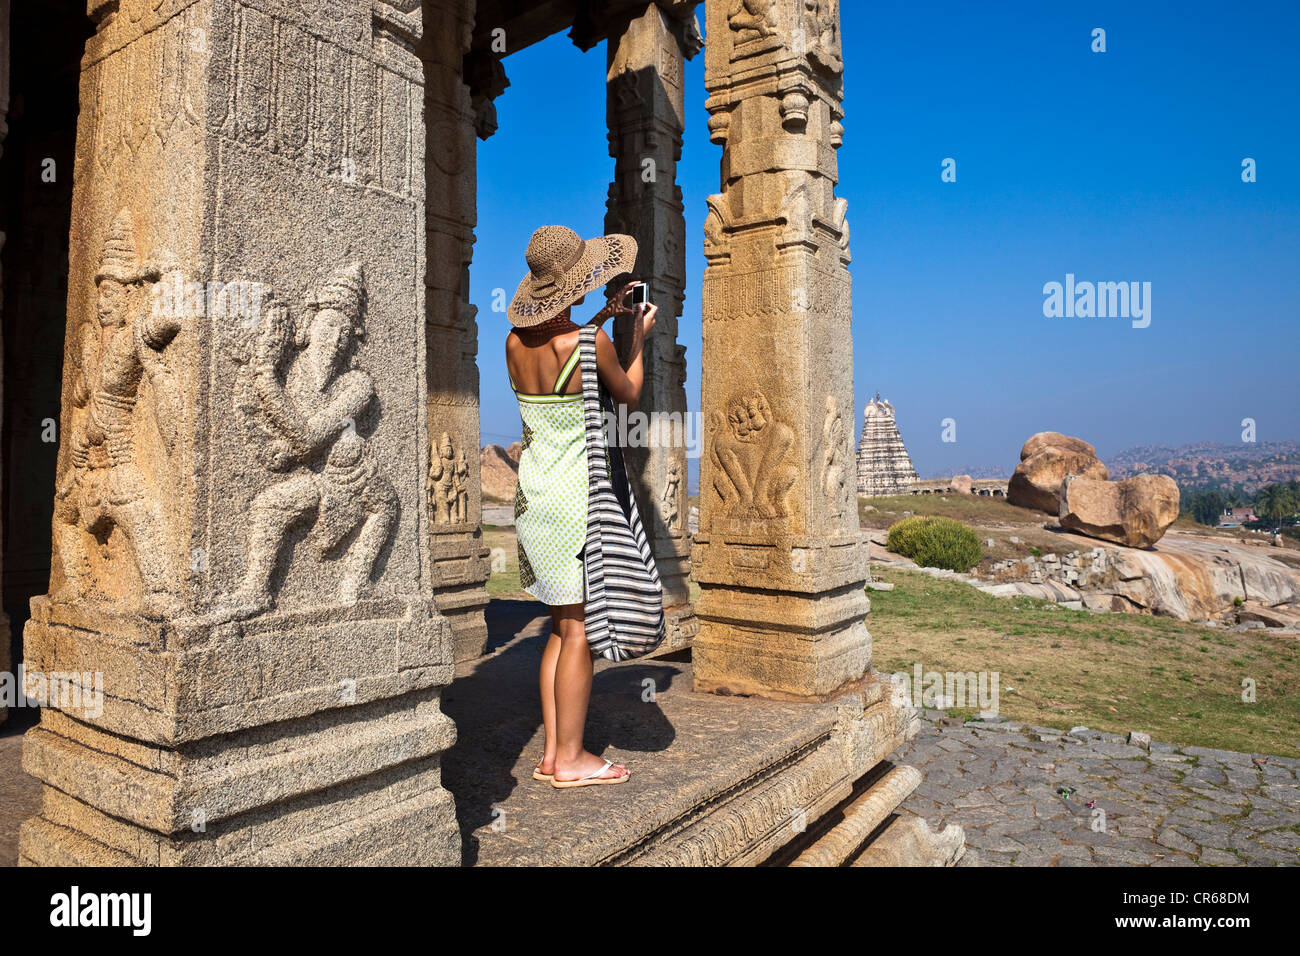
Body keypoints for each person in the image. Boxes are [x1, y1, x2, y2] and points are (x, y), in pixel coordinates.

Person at [505, 224, 657, 788]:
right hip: (577, 502)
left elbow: (558, 349)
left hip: (535, 498)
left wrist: (600, 316)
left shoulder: (513, 345)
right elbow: (629, 392)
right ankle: (570, 758)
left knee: (560, 624)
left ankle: (553, 752)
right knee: (580, 634)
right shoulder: (591, 345)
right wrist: (634, 335)